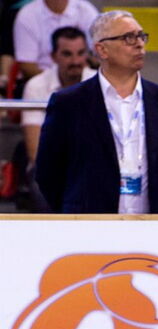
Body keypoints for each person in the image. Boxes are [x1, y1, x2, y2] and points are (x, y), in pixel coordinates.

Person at [35, 11, 158, 214]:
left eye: (141, 36)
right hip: (88, 223)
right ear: (102, 50)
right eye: (128, 38)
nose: (139, 44)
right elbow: (48, 172)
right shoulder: (68, 103)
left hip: (153, 221)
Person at [21, 26, 94, 212]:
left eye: (80, 53)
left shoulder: (100, 83)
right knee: (41, 178)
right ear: (53, 56)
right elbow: (34, 152)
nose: (76, 61)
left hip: (91, 163)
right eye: (67, 54)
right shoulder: (36, 86)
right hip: (49, 164)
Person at [13, 0, 97, 79]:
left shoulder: (86, 11)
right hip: (42, 81)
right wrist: (60, 82)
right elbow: (27, 66)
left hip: (83, 78)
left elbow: (99, 56)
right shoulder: (27, 15)